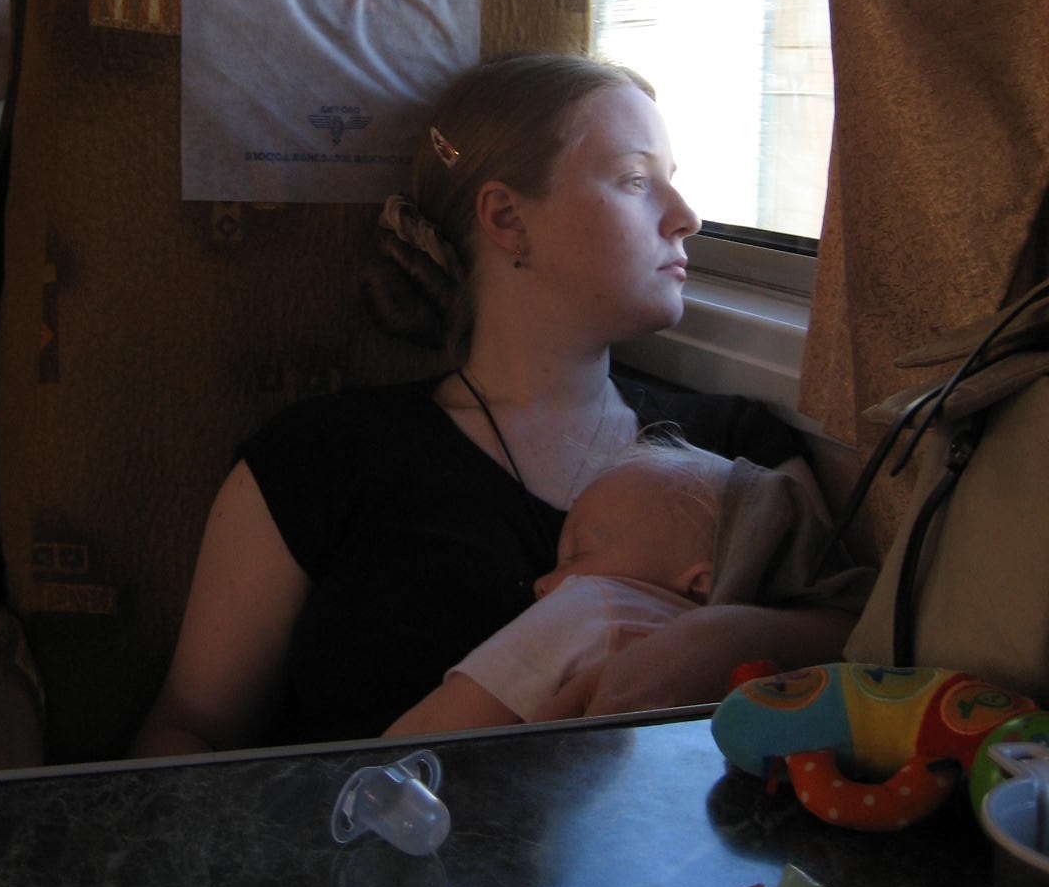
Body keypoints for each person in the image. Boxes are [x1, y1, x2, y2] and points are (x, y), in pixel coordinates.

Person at [131, 53, 858, 757]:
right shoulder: (323, 457)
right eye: (637, 181)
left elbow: (862, 641)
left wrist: (729, 638)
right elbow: (192, 729)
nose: (687, 217)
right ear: (508, 218)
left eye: (673, 182)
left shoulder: (735, 450)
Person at [384, 437, 872, 737]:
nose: (541, 584)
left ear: (700, 584)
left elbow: (427, 737)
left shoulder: (596, 608)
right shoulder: (769, 680)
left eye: (577, 555)